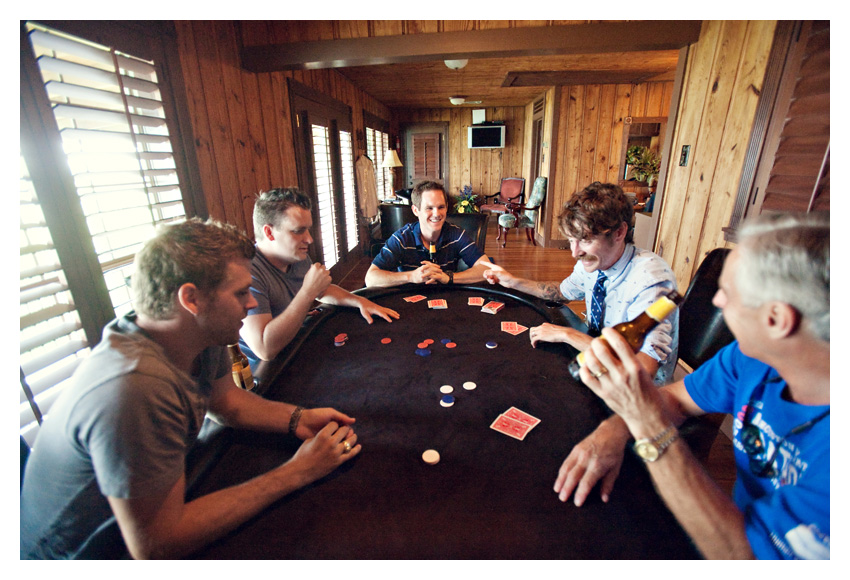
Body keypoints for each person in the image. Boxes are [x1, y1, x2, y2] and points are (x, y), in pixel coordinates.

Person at [20, 218, 361, 559]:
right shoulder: (137, 387)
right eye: (241, 292)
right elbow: (156, 544)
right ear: (191, 298)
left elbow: (227, 402)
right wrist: (297, 472)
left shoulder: (196, 331)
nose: (252, 303)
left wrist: (297, 418)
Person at [554, 211, 829, 559]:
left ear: (777, 320)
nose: (716, 302)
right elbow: (679, 399)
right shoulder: (750, 357)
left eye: (727, 294)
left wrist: (645, 422)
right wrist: (615, 428)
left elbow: (742, 558)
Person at [484, 181, 678, 384]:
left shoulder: (651, 280)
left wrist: (568, 334)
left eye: (585, 240)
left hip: (639, 395)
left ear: (619, 232)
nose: (575, 253)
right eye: (571, 240)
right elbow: (560, 292)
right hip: (598, 366)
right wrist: (513, 281)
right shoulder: (595, 262)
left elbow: (642, 371)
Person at [239, 187, 398, 368]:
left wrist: (359, 301)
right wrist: (307, 293)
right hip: (268, 373)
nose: (309, 239)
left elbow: (322, 290)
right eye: (298, 231)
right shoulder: (247, 272)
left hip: (296, 347)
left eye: (308, 229)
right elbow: (264, 349)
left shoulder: (294, 255)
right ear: (269, 232)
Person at [365, 180, 494, 287]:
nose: (437, 213)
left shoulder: (456, 234)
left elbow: (486, 269)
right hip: (409, 300)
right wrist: (411, 276)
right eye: (429, 208)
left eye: (441, 207)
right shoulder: (402, 238)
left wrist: (449, 277)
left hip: (447, 298)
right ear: (416, 210)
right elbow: (370, 279)